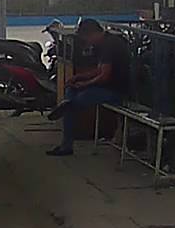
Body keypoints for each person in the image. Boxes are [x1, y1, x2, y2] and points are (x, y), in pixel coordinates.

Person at [45, 18, 130, 157]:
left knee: (75, 102)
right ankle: (66, 136)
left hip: (115, 90)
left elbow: (104, 76)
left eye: (86, 38)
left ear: (92, 34)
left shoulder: (111, 45)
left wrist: (85, 84)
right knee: (71, 92)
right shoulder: (102, 44)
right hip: (103, 87)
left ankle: (66, 143)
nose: (87, 42)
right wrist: (79, 77)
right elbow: (99, 70)